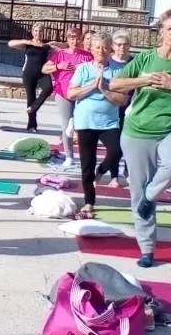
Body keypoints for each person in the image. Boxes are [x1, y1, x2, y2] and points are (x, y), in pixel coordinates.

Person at [109, 8, 171, 268]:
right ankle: (147, 249)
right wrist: (142, 81)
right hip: (137, 130)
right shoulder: (144, 59)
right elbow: (115, 85)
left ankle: (151, 195)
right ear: (160, 32)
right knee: (136, 191)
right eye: (169, 28)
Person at [67, 32, 127, 217]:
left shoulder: (117, 71)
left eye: (105, 47)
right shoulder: (84, 69)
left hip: (108, 122)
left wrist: (104, 89)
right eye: (97, 47)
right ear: (91, 49)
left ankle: (101, 171)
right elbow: (71, 93)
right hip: (85, 122)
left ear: (110, 49)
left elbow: (122, 99)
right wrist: (92, 86)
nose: (101, 51)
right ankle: (89, 202)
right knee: (86, 164)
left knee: (117, 151)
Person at [41, 26, 93, 170]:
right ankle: (69, 156)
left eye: (77, 38)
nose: (74, 41)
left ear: (81, 40)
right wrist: (59, 66)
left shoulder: (88, 56)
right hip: (63, 93)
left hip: (81, 94)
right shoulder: (61, 54)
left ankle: (85, 155)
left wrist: (83, 69)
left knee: (80, 125)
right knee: (66, 126)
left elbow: (97, 70)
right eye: (71, 38)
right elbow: (44, 69)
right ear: (67, 39)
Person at [7, 23, 65, 133]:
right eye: (36, 31)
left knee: (48, 88)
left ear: (43, 33)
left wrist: (54, 43)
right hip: (28, 73)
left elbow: (63, 49)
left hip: (42, 73)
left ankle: (33, 108)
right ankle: (31, 126)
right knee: (31, 98)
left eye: (41, 31)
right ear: (33, 32)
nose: (38, 33)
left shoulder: (46, 46)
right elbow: (10, 44)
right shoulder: (27, 44)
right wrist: (25, 41)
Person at [110, 29, 134, 183]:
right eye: (118, 44)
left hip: (130, 107)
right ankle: (114, 176)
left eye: (125, 45)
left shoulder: (134, 62)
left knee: (129, 142)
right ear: (113, 46)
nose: (121, 48)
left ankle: (128, 171)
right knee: (114, 144)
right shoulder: (107, 61)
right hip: (110, 107)